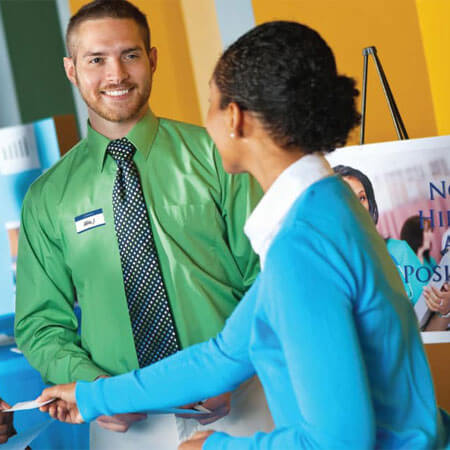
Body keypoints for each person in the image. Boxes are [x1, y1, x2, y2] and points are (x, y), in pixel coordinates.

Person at [39, 21, 449, 449]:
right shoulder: (327, 208)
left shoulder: (302, 244)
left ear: (234, 117)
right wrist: (91, 396)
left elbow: (340, 442)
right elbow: (224, 354)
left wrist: (213, 447)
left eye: (212, 106)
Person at [14, 0, 273, 448]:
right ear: (72, 70)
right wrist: (98, 389)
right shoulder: (46, 198)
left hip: (241, 402)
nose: (116, 74)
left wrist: (231, 368)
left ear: (151, 59)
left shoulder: (218, 156)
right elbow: (42, 324)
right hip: (124, 428)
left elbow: (269, 277)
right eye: (96, 59)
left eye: (130, 55)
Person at [333, 165, 424, 305]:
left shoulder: (399, 251)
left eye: (362, 198)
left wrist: (445, 309)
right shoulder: (326, 264)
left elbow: (430, 317)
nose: (357, 206)